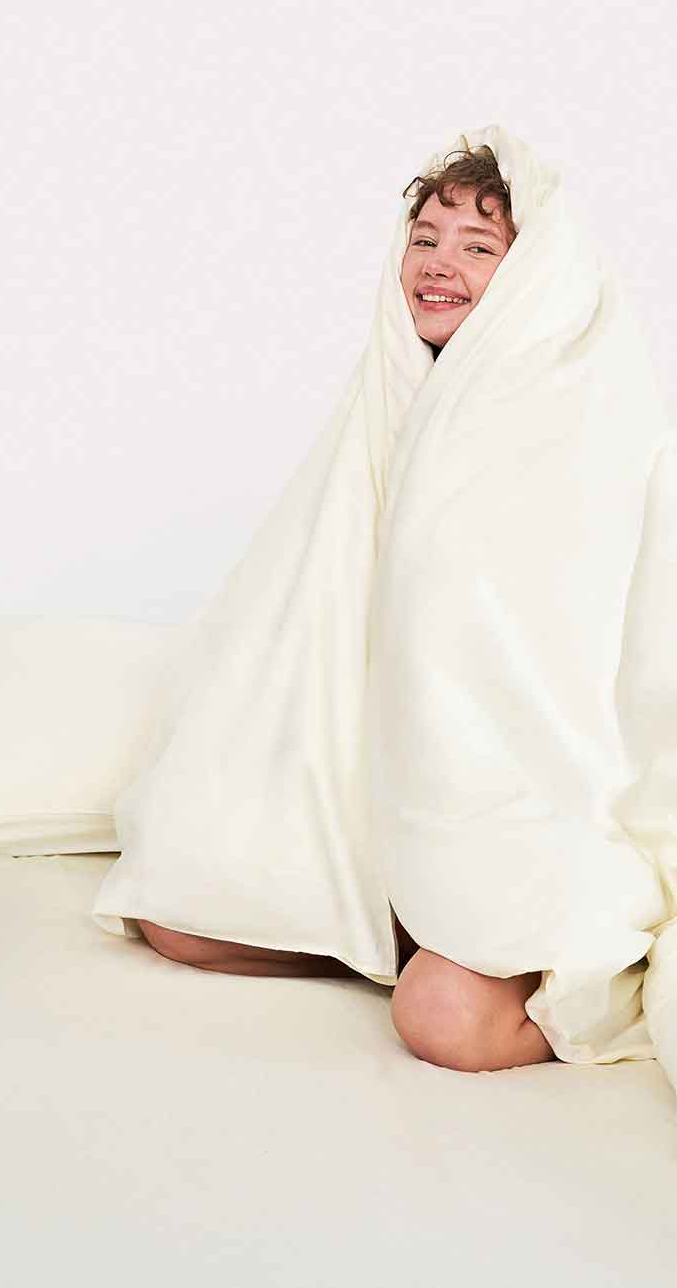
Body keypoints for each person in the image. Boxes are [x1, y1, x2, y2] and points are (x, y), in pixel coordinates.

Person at [137, 143, 556, 1075]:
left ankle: (538, 984)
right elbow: (315, 611)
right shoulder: (385, 404)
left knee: (444, 1020)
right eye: (425, 237)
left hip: (510, 816)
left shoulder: (556, 418)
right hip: (397, 805)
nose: (439, 263)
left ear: (533, 275)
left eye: (478, 247)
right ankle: (382, 938)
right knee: (174, 913)